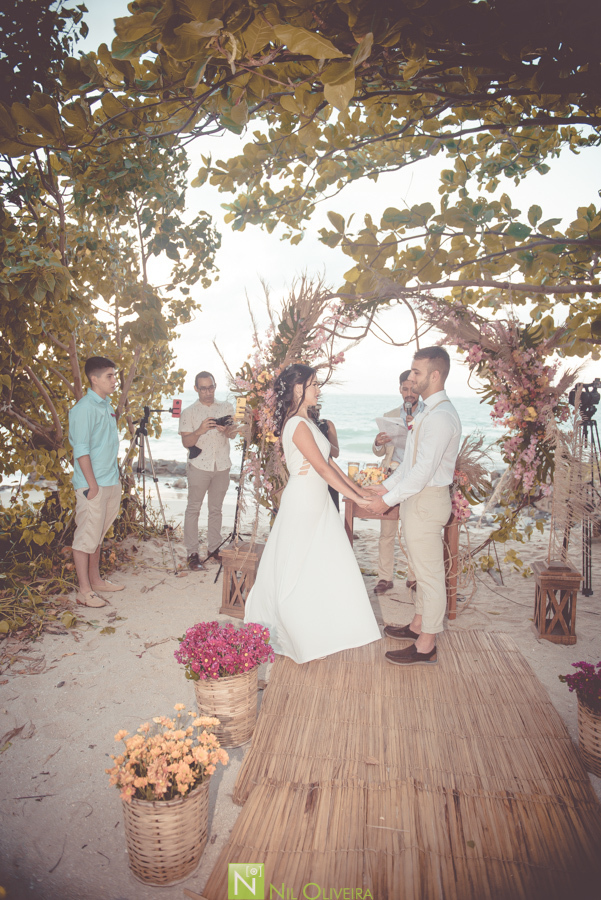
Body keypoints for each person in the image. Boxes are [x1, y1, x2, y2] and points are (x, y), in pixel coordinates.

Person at [244, 364, 381, 664]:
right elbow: (319, 468)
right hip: (304, 499)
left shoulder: (309, 422)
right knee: (297, 563)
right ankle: (297, 630)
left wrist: (359, 491)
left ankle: (324, 622)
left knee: (322, 559)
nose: (319, 389)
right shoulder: (296, 425)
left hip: (318, 500)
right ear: (297, 389)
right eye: (314, 384)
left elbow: (331, 464)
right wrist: (355, 497)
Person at [365, 347, 461, 667]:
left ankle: (427, 644)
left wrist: (385, 501)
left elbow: (422, 473)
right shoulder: (427, 413)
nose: (411, 377)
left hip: (427, 500)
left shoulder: (442, 416)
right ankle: (418, 624)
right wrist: (386, 487)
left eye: (416, 372)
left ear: (435, 376)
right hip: (416, 499)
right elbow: (410, 464)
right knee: (421, 570)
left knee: (430, 576)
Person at [68, 356, 123, 608]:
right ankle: (84, 590)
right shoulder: (83, 409)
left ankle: (96, 580)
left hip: (110, 480)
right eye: (110, 376)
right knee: (85, 538)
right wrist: (92, 486)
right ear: (94, 379)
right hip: (94, 485)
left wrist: (113, 479)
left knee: (97, 534)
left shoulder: (106, 405)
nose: (115, 380)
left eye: (114, 375)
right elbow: (81, 451)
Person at [179, 371, 238, 570]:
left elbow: (234, 435)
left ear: (215, 385)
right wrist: (199, 431)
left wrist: (227, 431)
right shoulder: (189, 412)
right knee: (193, 509)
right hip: (199, 466)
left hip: (221, 465)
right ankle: (192, 553)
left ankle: (214, 550)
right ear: (196, 389)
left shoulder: (226, 407)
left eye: (211, 387)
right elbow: (186, 442)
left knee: (216, 510)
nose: (207, 392)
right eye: (203, 388)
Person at [372, 369, 423, 594]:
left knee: (413, 530)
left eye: (413, 388)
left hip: (415, 477)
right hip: (392, 475)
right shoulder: (390, 414)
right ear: (400, 389)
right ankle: (384, 578)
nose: (409, 393)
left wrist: (417, 429)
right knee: (387, 531)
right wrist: (378, 442)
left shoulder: (427, 414)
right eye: (405, 389)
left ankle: (413, 577)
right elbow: (379, 451)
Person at [308, 404, 340, 510]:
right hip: (310, 475)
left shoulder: (327, 424)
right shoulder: (302, 426)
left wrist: (321, 440)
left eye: (317, 409)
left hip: (328, 471)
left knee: (332, 510)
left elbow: (336, 453)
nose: (316, 413)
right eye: (312, 410)